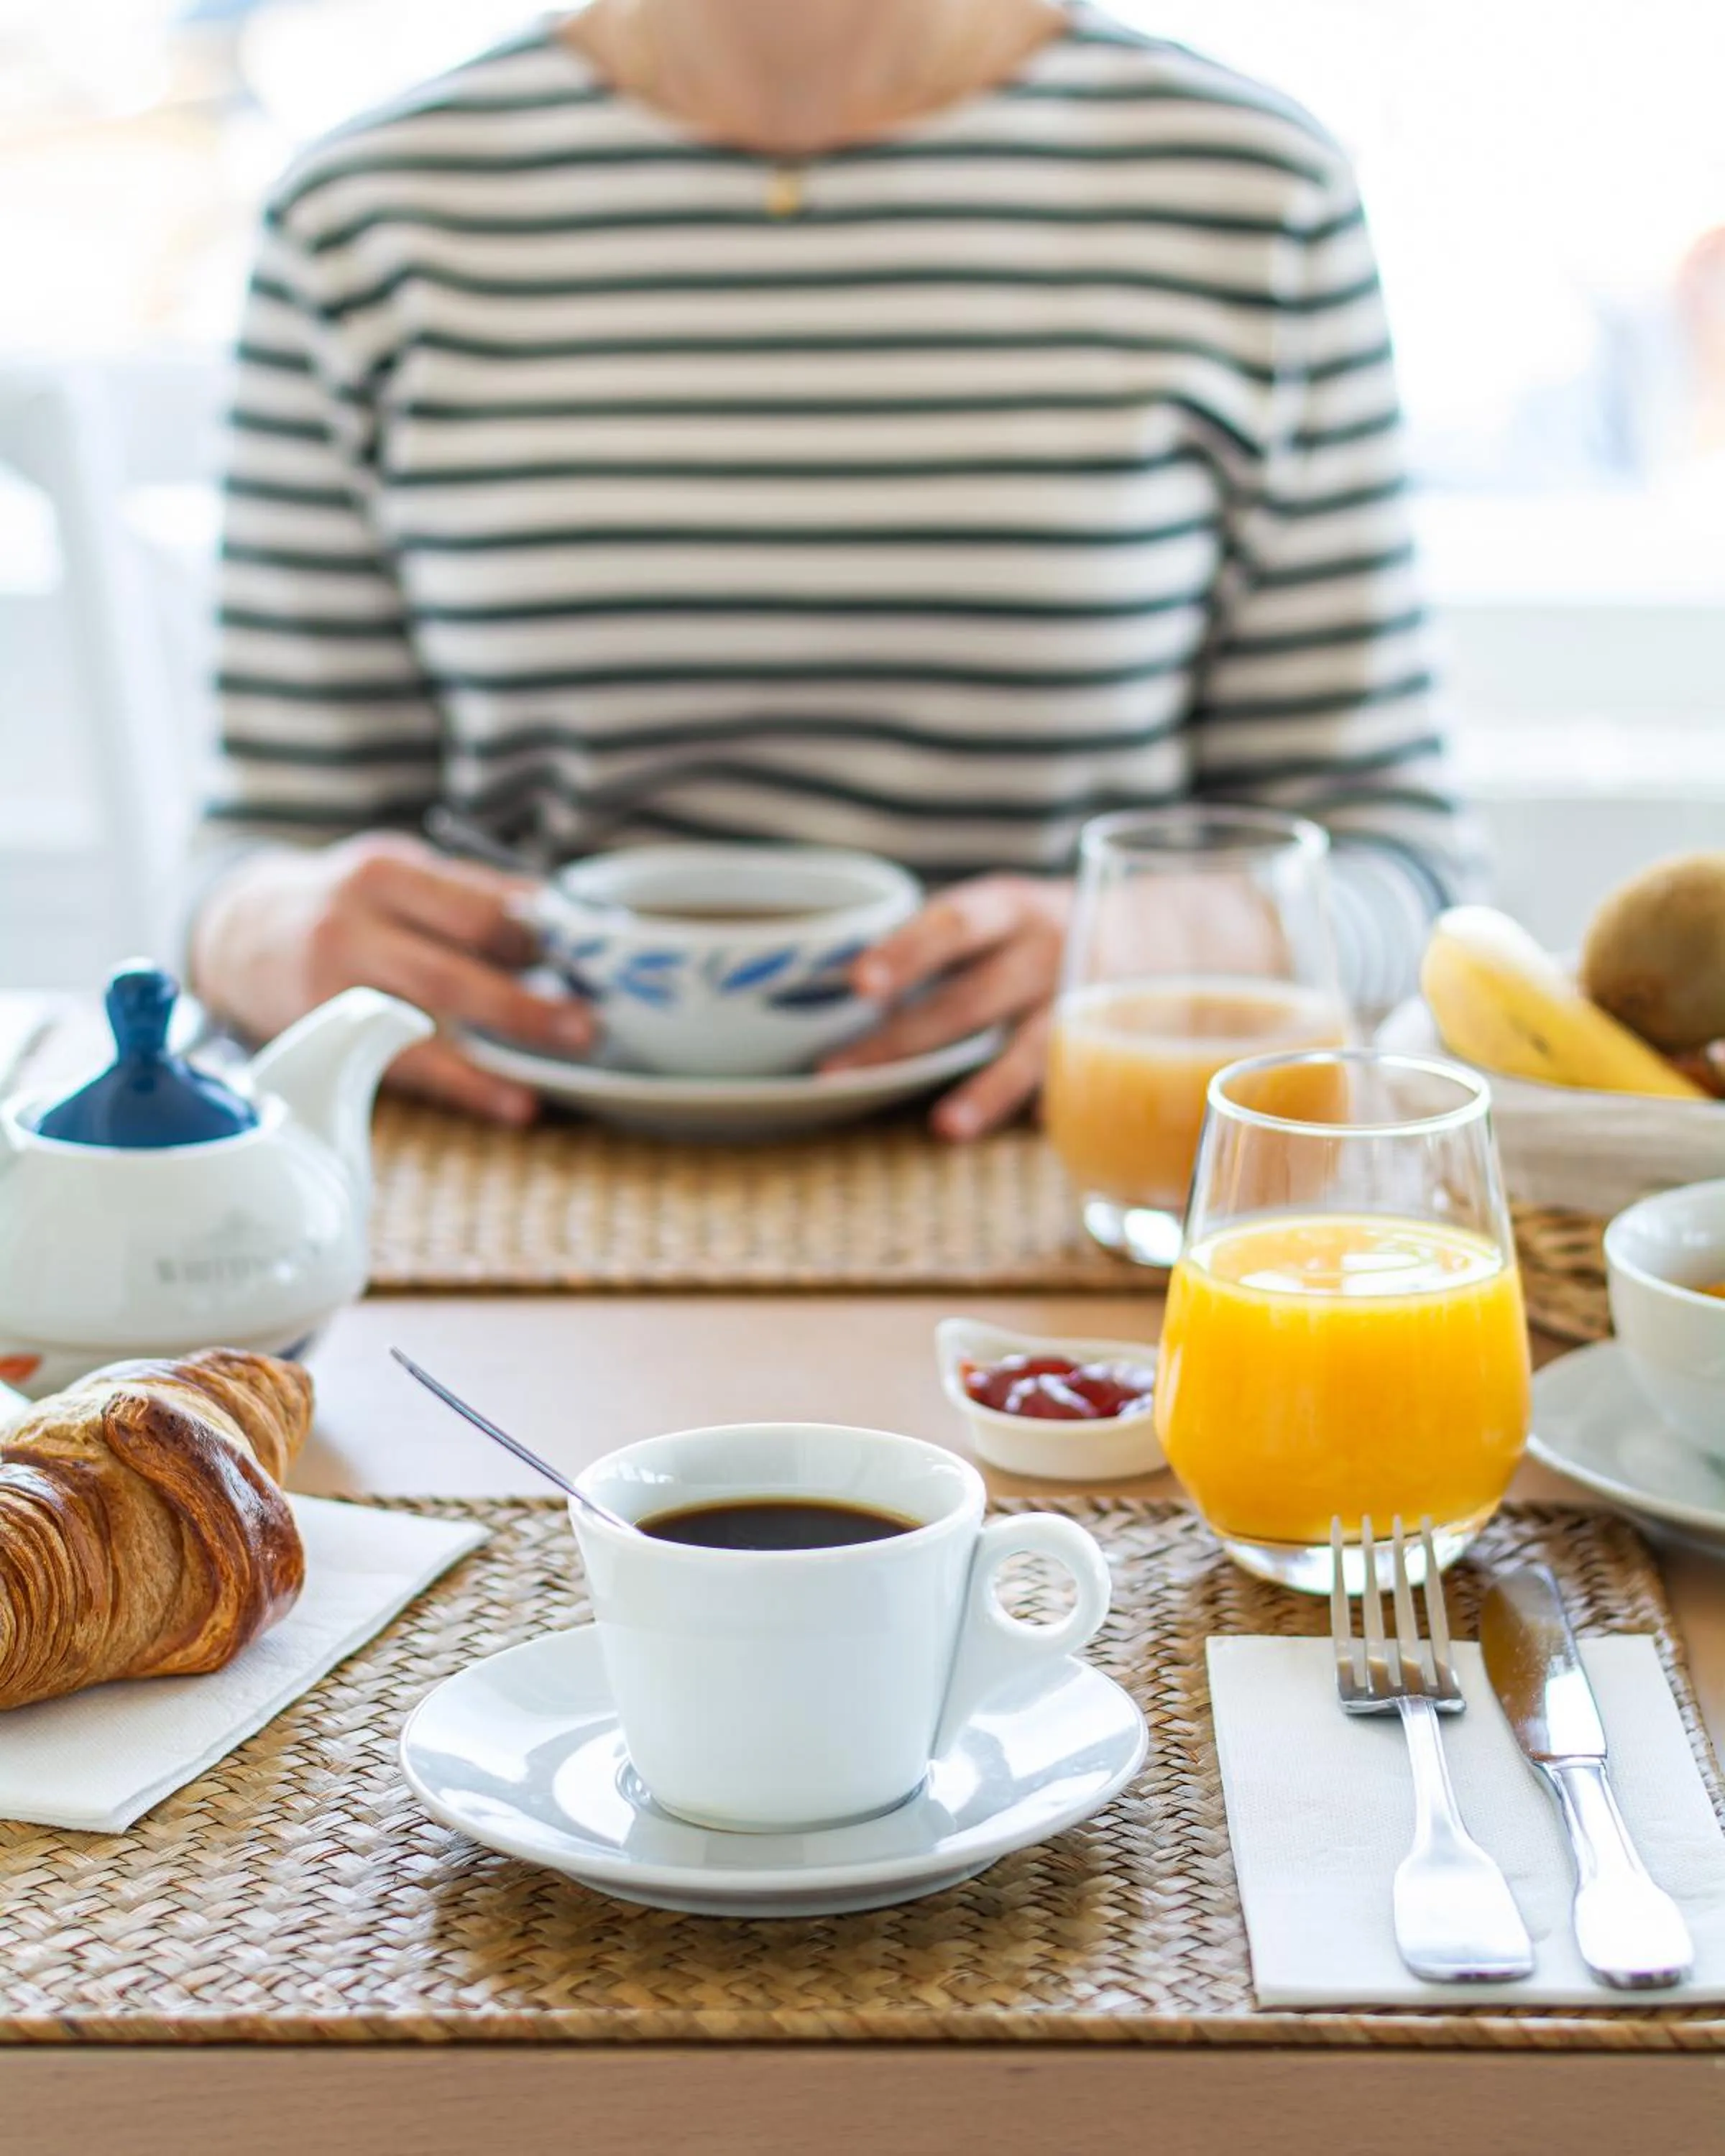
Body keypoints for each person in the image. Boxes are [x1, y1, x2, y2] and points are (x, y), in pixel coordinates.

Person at [189, 0, 1471, 1134]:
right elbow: (258, 853)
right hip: (512, 1165)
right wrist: (260, 931)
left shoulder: (1248, 190)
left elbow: (1397, 870)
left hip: (1068, 1178)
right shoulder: (361, 214)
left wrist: (1137, 946)